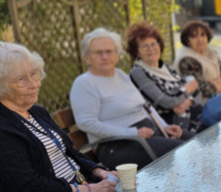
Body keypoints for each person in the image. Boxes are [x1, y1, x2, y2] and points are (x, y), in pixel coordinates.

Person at [0, 41, 183, 192]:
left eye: (34, 74)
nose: (34, 84)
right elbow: (28, 186)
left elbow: (71, 152)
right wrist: (89, 190)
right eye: (22, 80)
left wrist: (99, 171)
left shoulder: (35, 112)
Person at [70, 28, 190, 170]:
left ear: (116, 55)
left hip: (145, 135)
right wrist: (132, 133)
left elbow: (145, 106)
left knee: (198, 141)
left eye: (109, 51)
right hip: (117, 145)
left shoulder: (120, 75)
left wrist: (164, 126)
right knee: (185, 152)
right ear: (86, 57)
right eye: (98, 52)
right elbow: (86, 123)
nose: (104, 56)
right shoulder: (84, 83)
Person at [127, 21, 203, 132]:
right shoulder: (138, 72)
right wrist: (187, 89)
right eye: (144, 46)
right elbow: (166, 101)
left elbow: (197, 91)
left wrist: (186, 102)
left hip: (192, 118)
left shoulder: (165, 68)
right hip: (173, 127)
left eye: (153, 44)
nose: (151, 49)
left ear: (160, 45)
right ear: (137, 52)